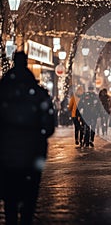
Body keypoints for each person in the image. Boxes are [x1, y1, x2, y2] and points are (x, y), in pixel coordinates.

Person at [0, 51, 55, 225]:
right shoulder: (38, 94)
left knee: (9, 194)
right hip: (32, 151)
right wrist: (38, 134)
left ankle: (10, 218)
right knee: (30, 191)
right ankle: (26, 218)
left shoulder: (3, 92)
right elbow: (49, 126)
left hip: (5, 152)